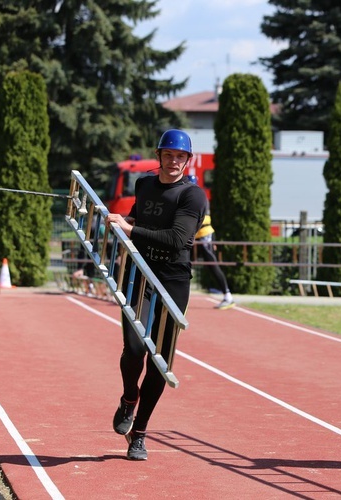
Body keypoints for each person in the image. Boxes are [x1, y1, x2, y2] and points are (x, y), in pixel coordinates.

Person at [105, 129, 207, 461]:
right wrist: (125, 220)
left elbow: (179, 239)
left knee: (160, 363)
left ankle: (140, 433)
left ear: (187, 160)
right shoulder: (144, 185)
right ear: (159, 155)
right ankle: (128, 398)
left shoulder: (193, 196)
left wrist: (130, 229)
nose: (174, 161)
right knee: (134, 347)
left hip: (173, 279)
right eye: (168, 155)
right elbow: (143, 215)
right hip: (139, 275)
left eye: (180, 156)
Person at [187, 175, 234, 310]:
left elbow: (200, 219)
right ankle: (177, 292)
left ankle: (227, 295)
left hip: (204, 235)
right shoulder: (193, 196)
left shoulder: (198, 196)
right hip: (197, 236)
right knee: (184, 263)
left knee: (212, 265)